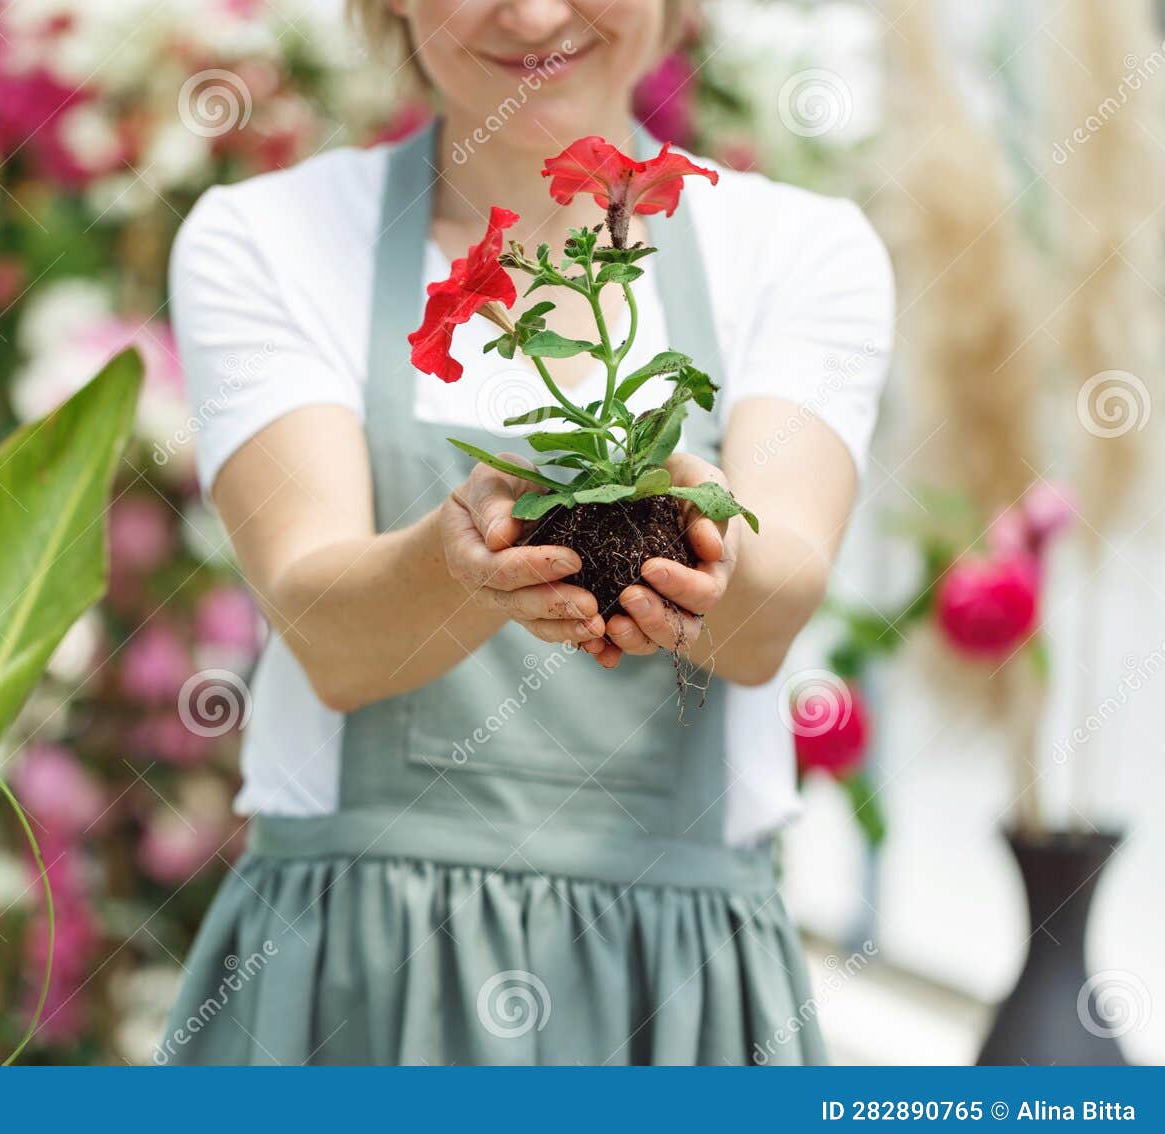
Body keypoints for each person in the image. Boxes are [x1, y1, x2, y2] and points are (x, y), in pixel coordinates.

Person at [159, 0, 893, 1064]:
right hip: (362, 967)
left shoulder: (799, 248)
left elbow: (766, 622)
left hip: (673, 979)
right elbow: (330, 635)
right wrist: (458, 562)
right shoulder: (265, 236)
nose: (538, 13)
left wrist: (699, 540)